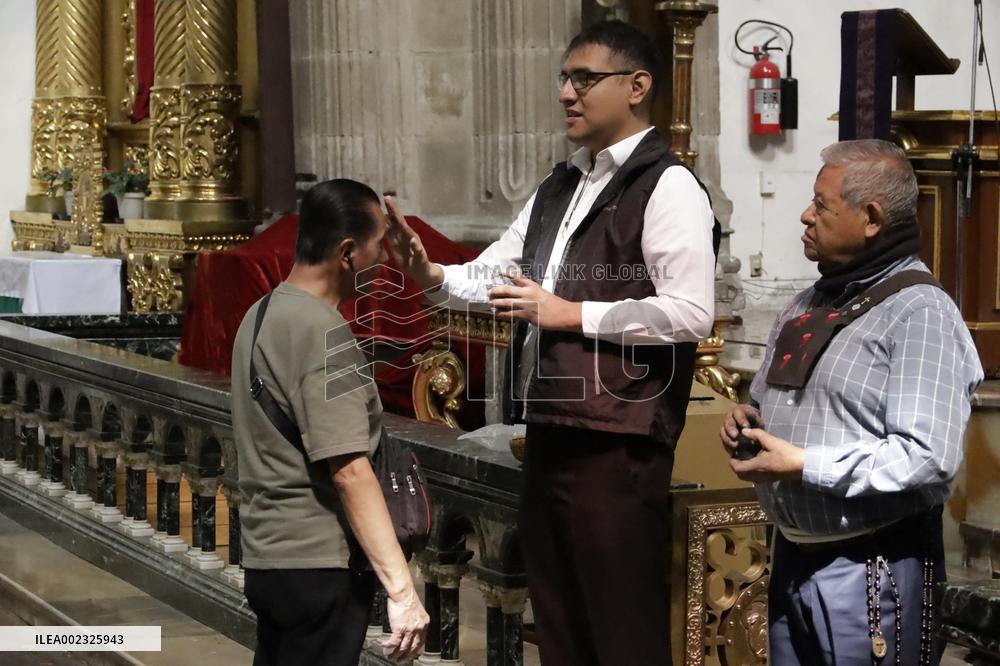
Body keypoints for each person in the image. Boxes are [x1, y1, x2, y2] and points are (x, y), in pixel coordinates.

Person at [386, 20, 718, 666]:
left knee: (620, 632)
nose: (567, 92)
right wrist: (431, 275)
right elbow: (502, 272)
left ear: (637, 86)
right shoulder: (561, 186)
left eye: (585, 79)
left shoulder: (666, 184)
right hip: (551, 430)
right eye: (564, 78)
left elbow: (690, 313)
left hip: (618, 444)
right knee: (560, 629)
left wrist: (568, 313)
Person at [719, 139, 984, 666]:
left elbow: (926, 455)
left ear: (871, 218)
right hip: (793, 555)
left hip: (873, 569)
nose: (805, 214)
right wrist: (746, 419)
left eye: (821, 204)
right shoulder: (809, 301)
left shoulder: (919, 313)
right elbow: (777, 398)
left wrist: (803, 464)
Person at [231, 179, 429, 666]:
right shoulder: (324, 334)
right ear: (347, 252)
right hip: (318, 564)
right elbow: (349, 470)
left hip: (268, 557)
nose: (384, 257)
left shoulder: (261, 313)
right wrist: (402, 592)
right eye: (379, 243)